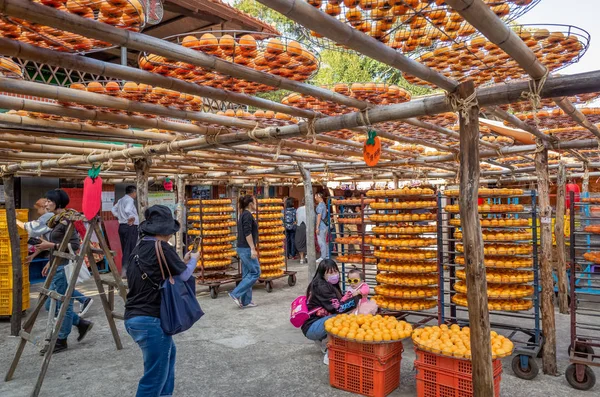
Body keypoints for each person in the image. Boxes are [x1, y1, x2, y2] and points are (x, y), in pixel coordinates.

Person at [125, 205, 199, 397]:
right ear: (165, 230)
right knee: (153, 379)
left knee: (168, 356)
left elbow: (158, 270)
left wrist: (181, 260)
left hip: (134, 317)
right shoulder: (162, 248)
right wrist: (194, 260)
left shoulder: (139, 247)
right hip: (150, 320)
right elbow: (184, 276)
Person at [35, 189, 93, 355]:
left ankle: (61, 339)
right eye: (46, 201)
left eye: (49, 201)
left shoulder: (66, 220)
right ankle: (81, 323)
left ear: (57, 202)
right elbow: (58, 242)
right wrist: (49, 260)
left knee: (63, 305)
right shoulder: (56, 220)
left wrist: (50, 246)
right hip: (55, 265)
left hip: (63, 267)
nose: (46, 203)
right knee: (49, 304)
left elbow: (74, 245)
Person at [18, 198, 94, 317]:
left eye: (38, 208)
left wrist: (13, 219)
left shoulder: (53, 218)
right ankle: (81, 307)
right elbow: (46, 242)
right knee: (60, 289)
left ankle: (78, 315)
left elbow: (64, 244)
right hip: (56, 257)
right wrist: (34, 256)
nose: (38, 212)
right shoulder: (53, 219)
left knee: (60, 292)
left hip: (61, 259)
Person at [301, 259, 362, 365]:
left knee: (343, 316)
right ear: (322, 274)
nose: (334, 275)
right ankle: (330, 355)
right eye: (330, 272)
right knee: (342, 320)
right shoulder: (321, 286)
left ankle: (323, 341)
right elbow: (339, 308)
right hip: (312, 327)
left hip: (316, 323)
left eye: (335, 271)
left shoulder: (327, 284)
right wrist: (357, 298)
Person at [229, 195, 260, 308]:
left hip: (242, 248)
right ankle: (235, 293)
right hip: (246, 248)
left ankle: (246, 301)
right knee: (255, 272)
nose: (256, 204)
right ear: (251, 204)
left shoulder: (243, 214)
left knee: (247, 274)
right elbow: (248, 233)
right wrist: (252, 248)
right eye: (255, 202)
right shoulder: (247, 215)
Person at [112, 185, 139, 274]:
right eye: (135, 193)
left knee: (125, 249)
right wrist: (131, 217)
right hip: (130, 227)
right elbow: (128, 210)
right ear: (133, 192)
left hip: (122, 226)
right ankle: (127, 270)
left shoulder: (121, 200)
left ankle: (126, 270)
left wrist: (119, 216)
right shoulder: (130, 200)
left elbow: (113, 210)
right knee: (130, 249)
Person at [315, 192, 329, 263]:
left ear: (319, 196)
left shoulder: (320, 205)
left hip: (321, 226)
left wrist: (317, 227)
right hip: (325, 225)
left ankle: (323, 256)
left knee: (321, 241)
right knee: (324, 241)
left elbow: (319, 216)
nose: (315, 198)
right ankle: (326, 255)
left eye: (316, 196)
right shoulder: (324, 204)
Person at [295, 199, 307, 264]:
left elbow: (297, 218)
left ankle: (302, 258)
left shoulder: (299, 209)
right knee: (307, 241)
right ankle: (307, 256)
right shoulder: (310, 209)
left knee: (299, 241)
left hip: (300, 226)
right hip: (308, 226)